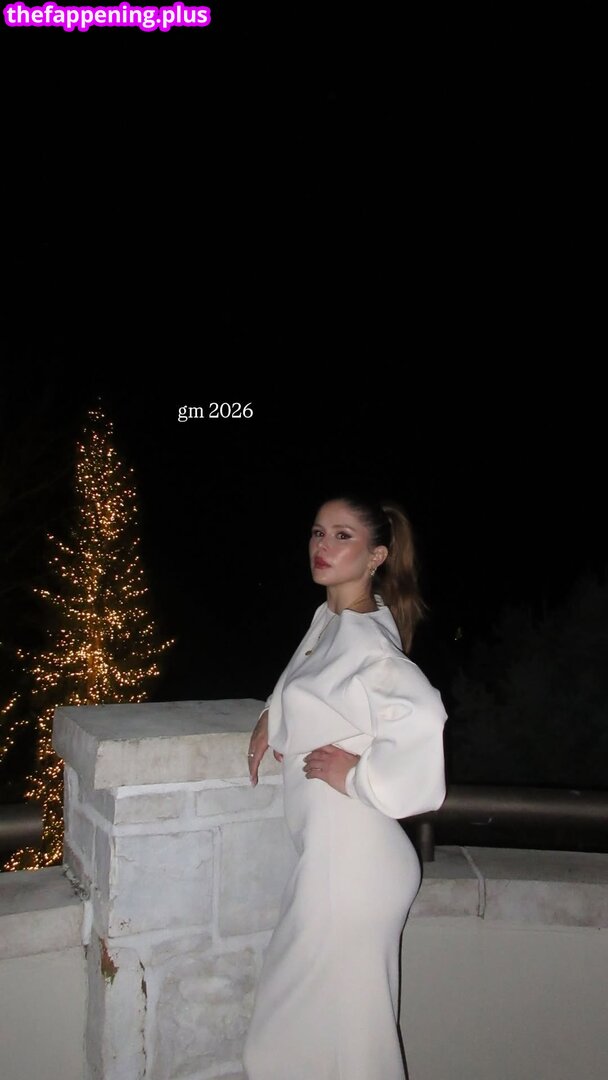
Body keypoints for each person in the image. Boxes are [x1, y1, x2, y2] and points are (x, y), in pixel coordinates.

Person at [242, 495, 447, 1080]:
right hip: (336, 863)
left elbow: (423, 718)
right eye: (317, 532)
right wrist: (272, 712)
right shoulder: (332, 619)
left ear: (376, 555)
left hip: (352, 868)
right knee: (339, 1046)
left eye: (342, 536)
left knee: (295, 1048)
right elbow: (305, 674)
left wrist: (357, 775)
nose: (322, 546)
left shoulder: (367, 641)